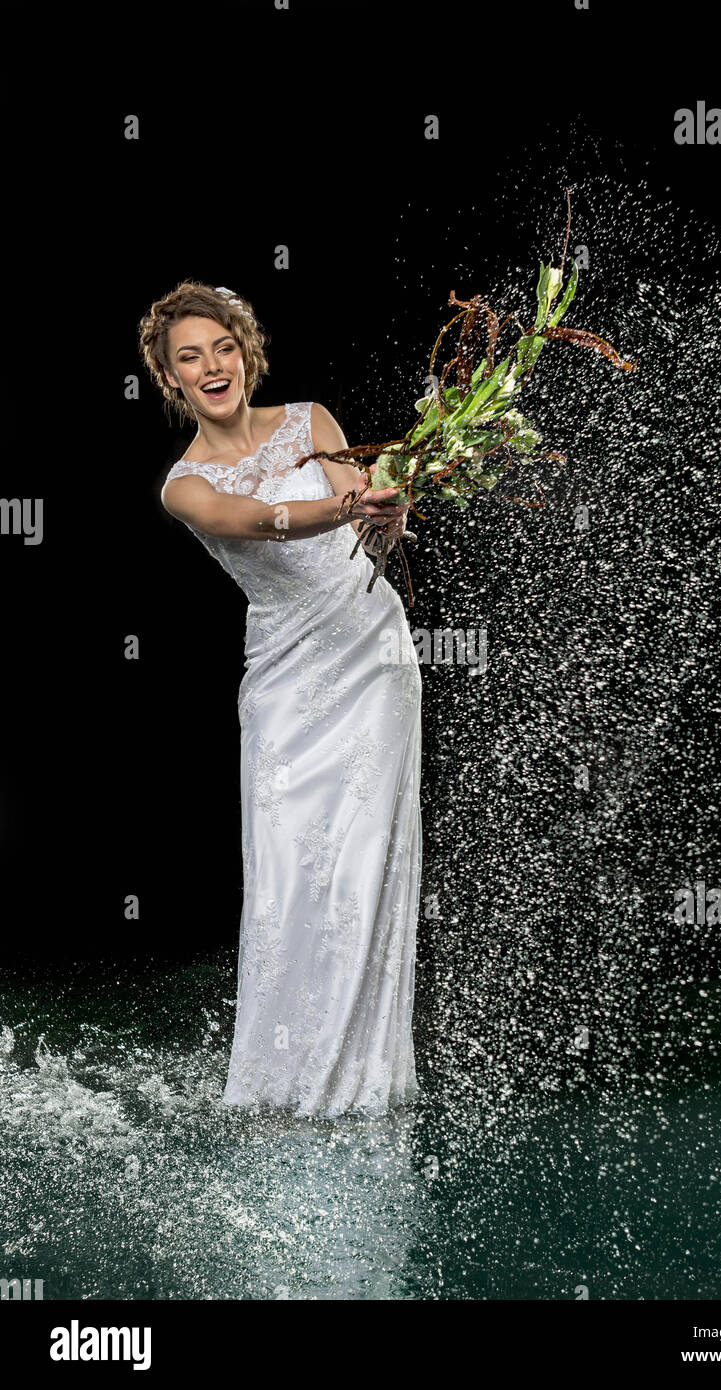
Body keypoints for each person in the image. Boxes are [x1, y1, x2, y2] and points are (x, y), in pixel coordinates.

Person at [138, 281, 423, 1117]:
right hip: (287, 679)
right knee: (289, 875)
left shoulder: (311, 417)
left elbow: (363, 508)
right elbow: (254, 519)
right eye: (189, 358)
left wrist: (385, 508)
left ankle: (363, 1080)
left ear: (245, 350)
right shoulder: (182, 485)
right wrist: (344, 504)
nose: (211, 366)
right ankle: (279, 1082)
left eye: (221, 347)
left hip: (371, 653)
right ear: (172, 379)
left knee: (365, 859)